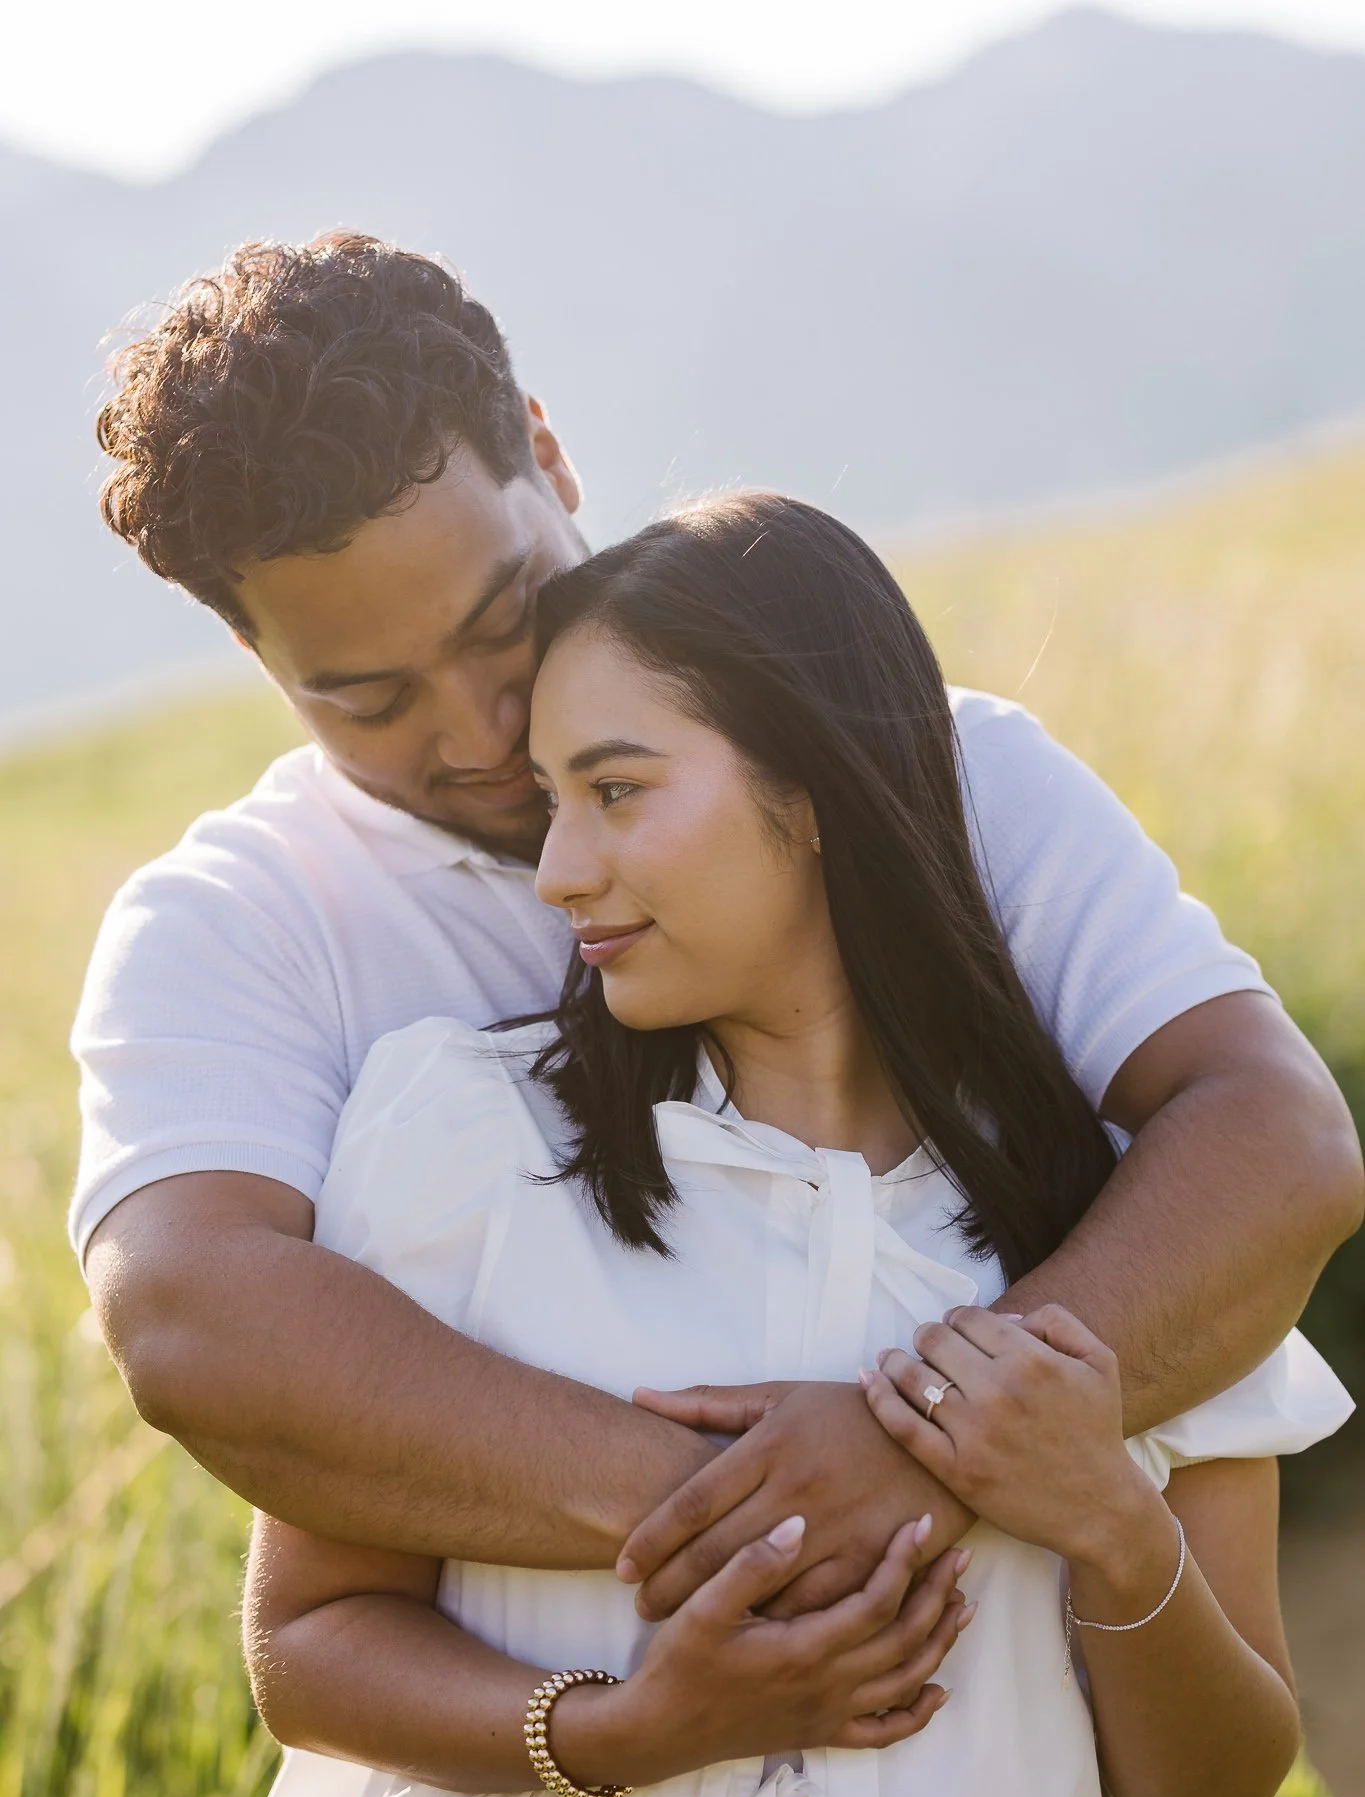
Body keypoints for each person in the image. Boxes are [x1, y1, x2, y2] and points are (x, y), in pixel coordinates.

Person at [76, 232, 1362, 1631]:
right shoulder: (232, 929)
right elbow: (192, 1316)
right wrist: (764, 1505)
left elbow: (1276, 1137)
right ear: (259, 660)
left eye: (502, 616)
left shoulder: (938, 773)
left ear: (552, 462)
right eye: (369, 700)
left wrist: (911, 1448)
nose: (483, 728)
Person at [221, 493, 1353, 1797]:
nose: (556, 869)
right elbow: (309, 1645)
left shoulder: (1131, 1227)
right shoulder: (466, 1140)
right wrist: (625, 1733)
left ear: (814, 786)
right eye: (553, 799)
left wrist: (1100, 1519)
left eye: (616, 790)